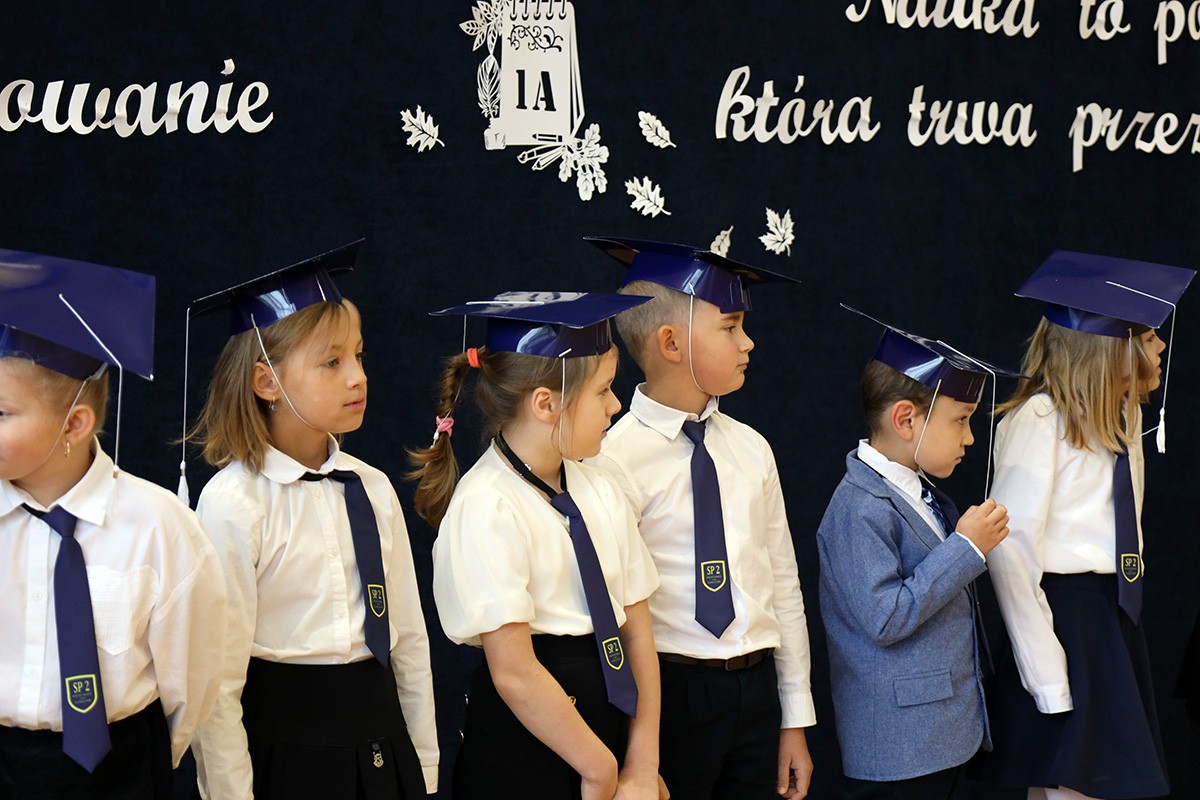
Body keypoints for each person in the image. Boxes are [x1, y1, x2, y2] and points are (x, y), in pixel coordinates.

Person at [187, 241, 438, 799]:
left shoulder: (373, 488)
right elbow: (217, 682)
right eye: (332, 362)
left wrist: (422, 768)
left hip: (383, 752)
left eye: (359, 356)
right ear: (266, 382)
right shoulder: (235, 504)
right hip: (289, 760)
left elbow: (409, 642)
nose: (357, 377)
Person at [584, 238, 815, 799]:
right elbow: (611, 608)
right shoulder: (612, 459)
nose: (747, 342)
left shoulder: (753, 449)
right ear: (671, 342)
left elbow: (783, 582)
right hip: (669, 694)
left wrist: (794, 716)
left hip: (756, 691)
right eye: (730, 328)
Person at [410, 291, 662, 800]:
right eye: (603, 390)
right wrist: (600, 771)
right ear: (546, 404)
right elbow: (515, 672)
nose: (616, 405)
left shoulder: (602, 485)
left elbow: (637, 631)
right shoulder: (487, 505)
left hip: (612, 734)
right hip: (528, 751)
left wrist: (640, 764)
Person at [0, 249, 226, 799]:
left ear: (74, 424)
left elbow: (192, 676)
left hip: (120, 768)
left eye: (1, 413)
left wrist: (149, 762)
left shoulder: (159, 527)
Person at [979, 251, 1195, 800]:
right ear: (1111, 347)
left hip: (1113, 615)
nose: (1161, 349)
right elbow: (1010, 550)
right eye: (1150, 337)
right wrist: (1045, 673)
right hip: (1063, 621)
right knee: (1068, 785)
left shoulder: (1125, 415)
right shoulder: (1039, 420)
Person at [815, 307, 1013, 799]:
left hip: (940, 733)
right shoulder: (858, 506)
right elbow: (885, 618)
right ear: (906, 419)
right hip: (899, 749)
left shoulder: (918, 492)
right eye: (960, 420)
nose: (970, 437)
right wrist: (966, 548)